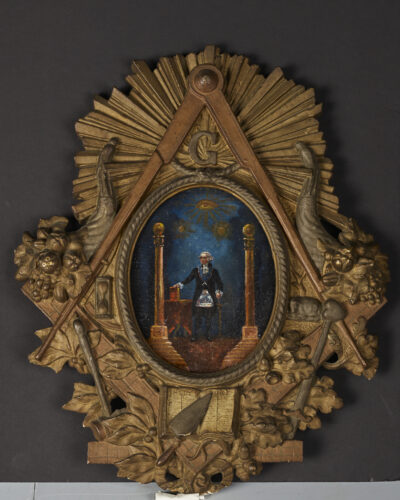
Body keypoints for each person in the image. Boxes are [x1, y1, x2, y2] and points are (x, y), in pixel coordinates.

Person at [173, 251, 223, 341]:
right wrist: (180, 284)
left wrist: (219, 292)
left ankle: (208, 335)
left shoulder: (214, 271)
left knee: (208, 318)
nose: (202, 259)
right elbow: (188, 279)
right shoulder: (195, 270)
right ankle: (195, 335)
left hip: (210, 297)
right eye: (201, 258)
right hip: (199, 297)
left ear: (209, 259)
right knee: (197, 317)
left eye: (204, 258)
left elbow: (219, 283)